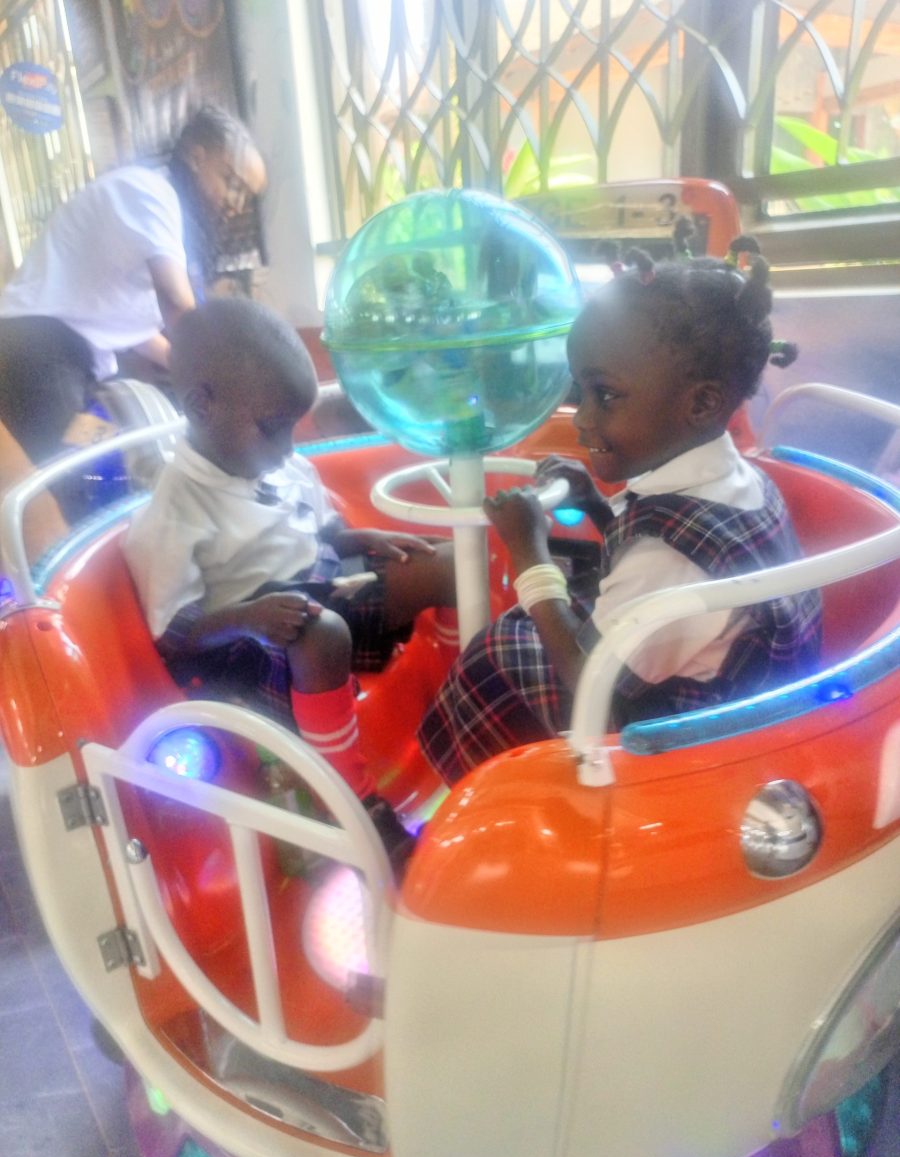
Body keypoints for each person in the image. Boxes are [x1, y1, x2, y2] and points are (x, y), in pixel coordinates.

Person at [419, 239, 823, 785]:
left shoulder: (668, 555)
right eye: (579, 392)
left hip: (690, 751)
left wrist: (528, 552)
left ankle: (484, 793)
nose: (581, 419)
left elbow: (588, 675)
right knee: (531, 622)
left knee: (498, 652)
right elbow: (669, 565)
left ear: (701, 402)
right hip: (740, 695)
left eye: (605, 395)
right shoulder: (736, 479)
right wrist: (592, 501)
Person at [123, 297, 456, 866]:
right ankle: (350, 800)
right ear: (201, 405)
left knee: (447, 560)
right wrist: (247, 618)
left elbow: (321, 531)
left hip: (321, 589)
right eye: (273, 429)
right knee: (320, 632)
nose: (288, 449)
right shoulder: (171, 513)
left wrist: (363, 539)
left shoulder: (283, 463)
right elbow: (175, 636)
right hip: (253, 642)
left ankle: (455, 706)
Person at [0, 104, 266, 467]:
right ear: (196, 156)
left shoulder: (165, 221)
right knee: (76, 476)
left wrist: (183, 367)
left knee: (113, 464)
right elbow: (178, 304)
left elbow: (132, 328)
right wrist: (219, 379)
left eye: (246, 196)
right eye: (231, 182)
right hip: (38, 351)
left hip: (64, 358)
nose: (235, 204)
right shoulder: (151, 192)